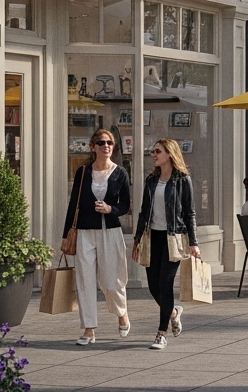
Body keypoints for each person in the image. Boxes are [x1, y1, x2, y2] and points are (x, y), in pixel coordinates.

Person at [131, 138, 201, 350]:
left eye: (157, 151)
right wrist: (137, 239)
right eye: (153, 151)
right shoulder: (151, 179)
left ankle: (161, 334)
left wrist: (194, 242)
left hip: (175, 238)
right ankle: (173, 312)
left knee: (165, 283)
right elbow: (144, 211)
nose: (153, 155)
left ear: (169, 154)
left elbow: (189, 213)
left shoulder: (182, 179)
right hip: (153, 236)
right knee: (153, 285)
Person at [63, 129, 131, 345]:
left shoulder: (120, 173)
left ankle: (122, 314)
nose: (106, 146)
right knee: (85, 281)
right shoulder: (82, 172)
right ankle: (89, 329)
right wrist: (66, 235)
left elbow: (126, 205)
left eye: (110, 142)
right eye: (101, 142)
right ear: (93, 147)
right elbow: (73, 204)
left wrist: (110, 209)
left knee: (112, 282)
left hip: (110, 232)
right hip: (84, 232)